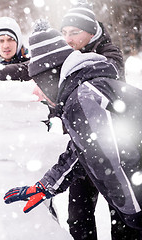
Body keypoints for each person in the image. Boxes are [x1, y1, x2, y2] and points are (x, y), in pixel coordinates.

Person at [3, 21, 142, 236]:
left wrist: (135, 211)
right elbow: (81, 151)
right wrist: (46, 185)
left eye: (38, 83)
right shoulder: (83, 91)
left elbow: (112, 157)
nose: (38, 93)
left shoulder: (82, 97)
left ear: (50, 76)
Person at [58, 3, 140, 240]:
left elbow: (94, 82)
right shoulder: (70, 56)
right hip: (83, 149)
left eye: (74, 32)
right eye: (63, 33)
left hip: (115, 150)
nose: (67, 39)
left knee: (122, 216)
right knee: (78, 216)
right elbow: (33, 67)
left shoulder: (108, 55)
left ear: (91, 33)